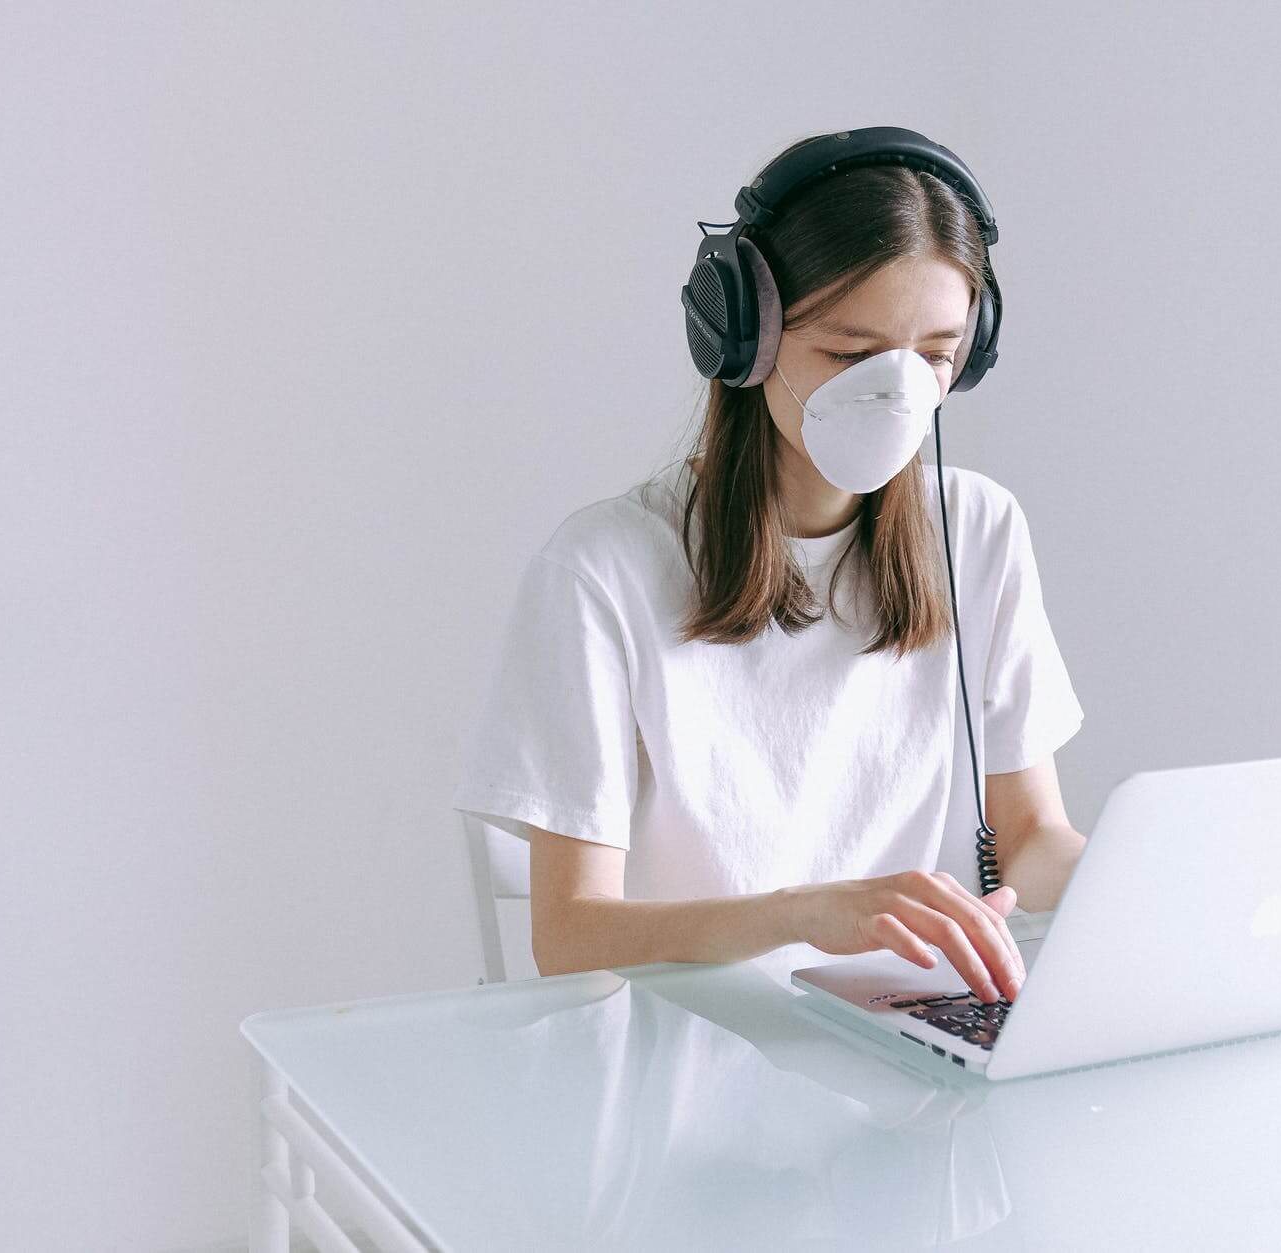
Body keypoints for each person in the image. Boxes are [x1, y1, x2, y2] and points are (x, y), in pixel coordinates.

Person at [451, 133, 1088, 1003]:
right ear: (746, 337)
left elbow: (1031, 838)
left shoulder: (977, 530)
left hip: (899, 1065)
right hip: (682, 1070)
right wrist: (802, 913)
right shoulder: (603, 570)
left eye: (935, 356)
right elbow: (569, 934)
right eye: (850, 353)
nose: (898, 392)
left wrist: (1146, 894)